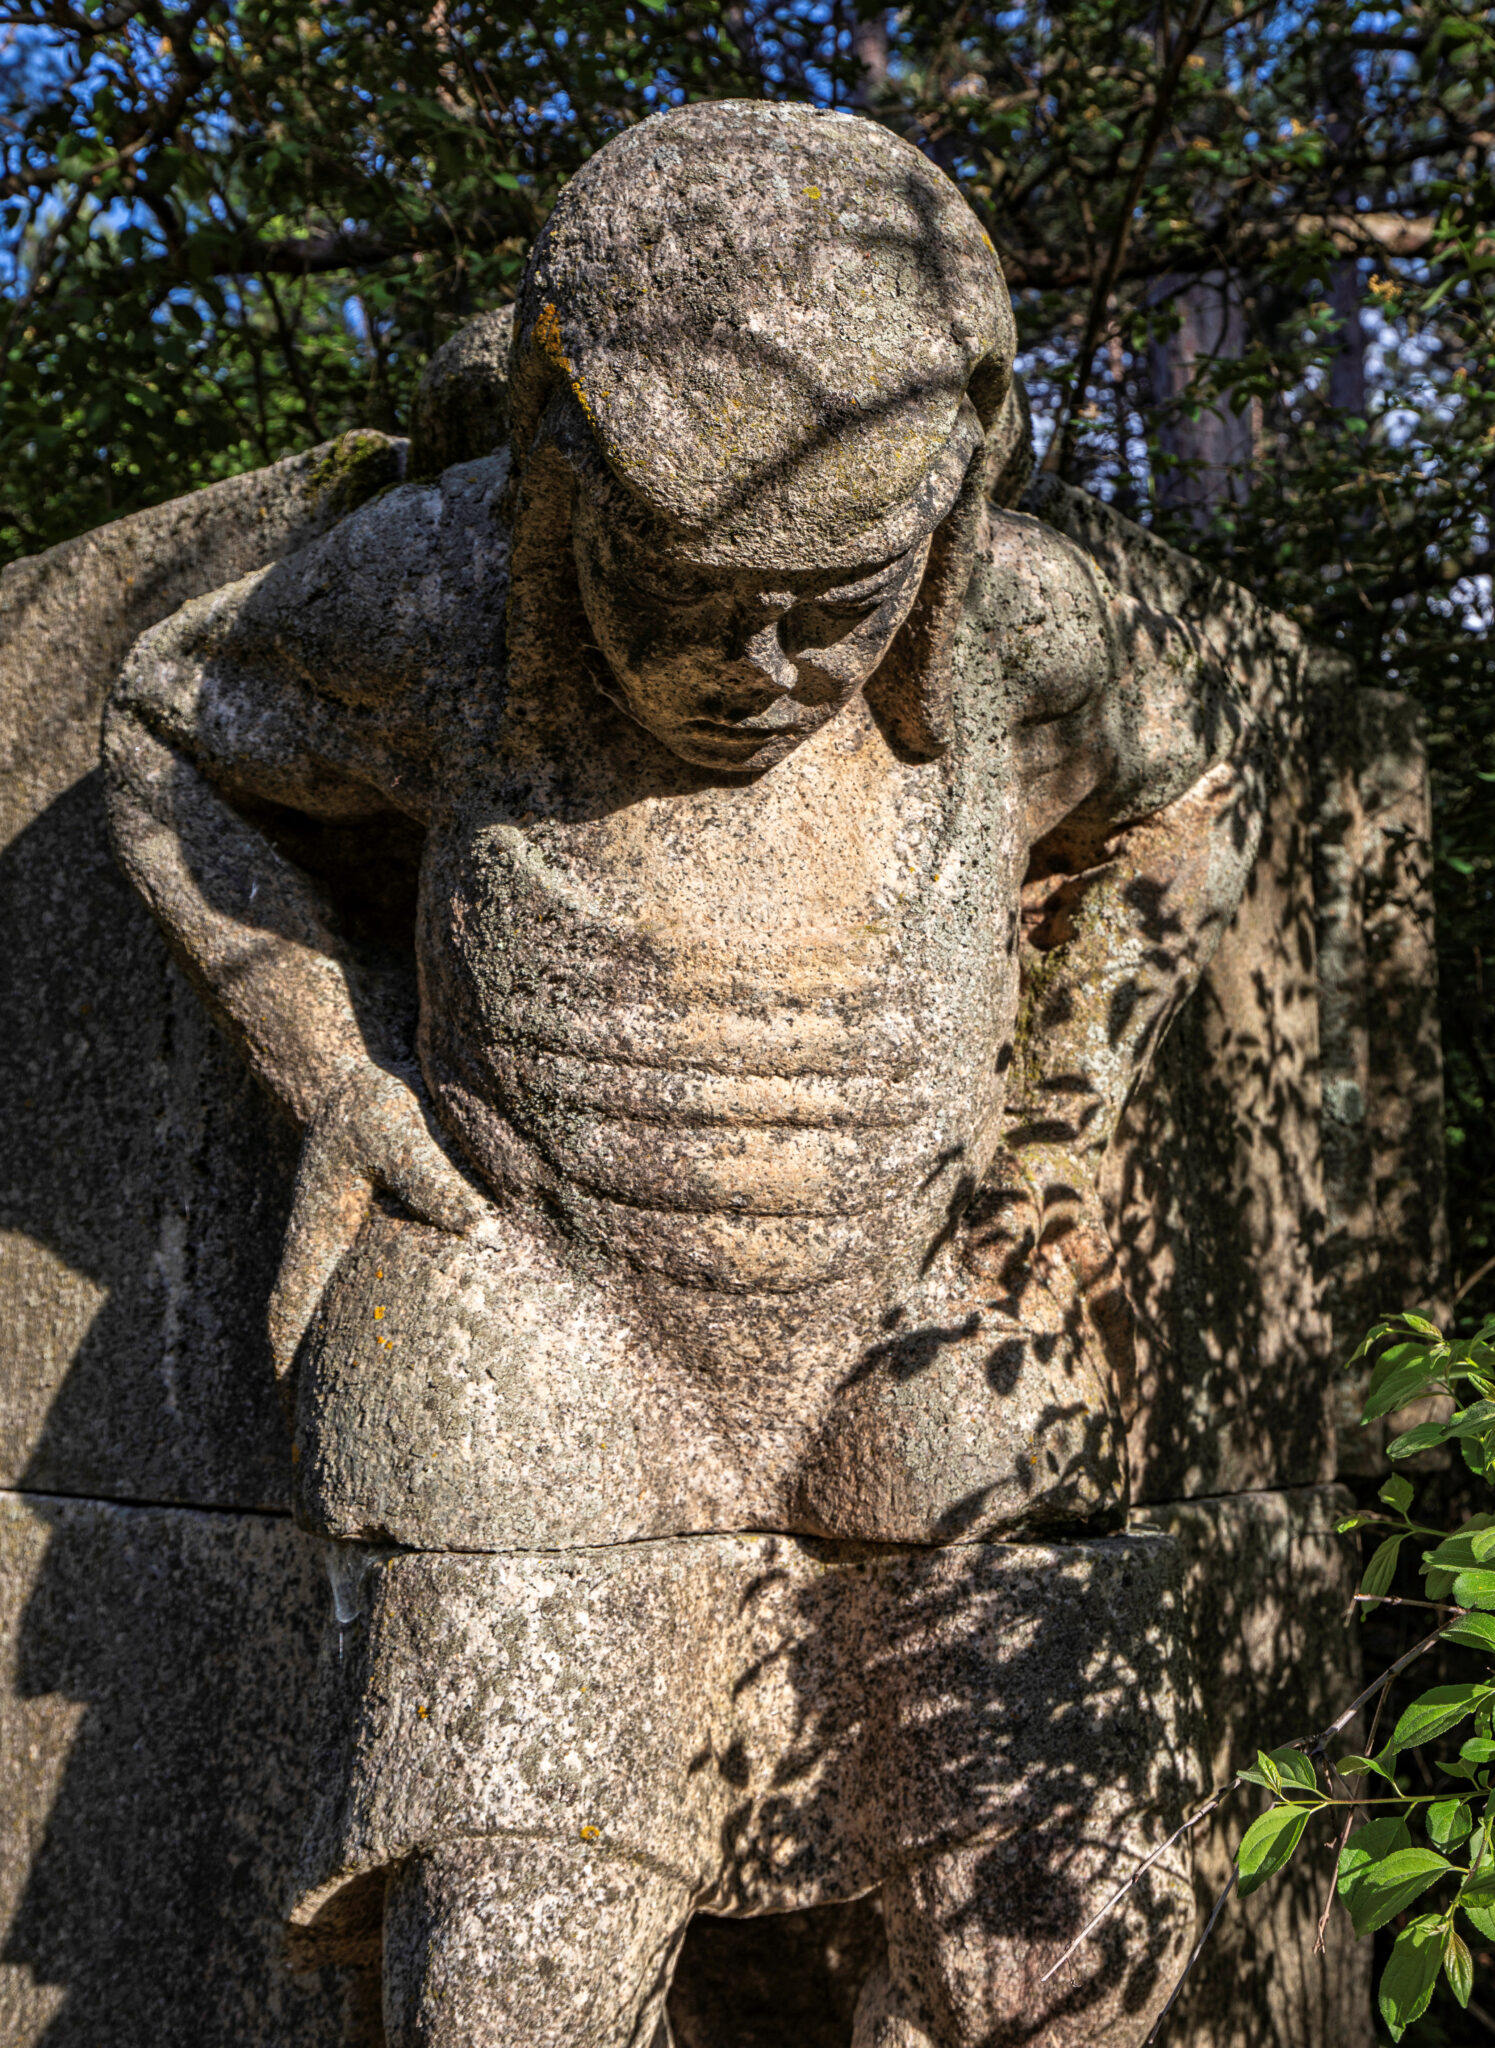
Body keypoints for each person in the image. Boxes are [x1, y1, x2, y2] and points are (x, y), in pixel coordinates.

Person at [105, 98, 1254, 2048]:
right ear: (559, 481)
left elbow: (1184, 806)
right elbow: (163, 725)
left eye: (835, 603)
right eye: (693, 595)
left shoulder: (1018, 634)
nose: (764, 664)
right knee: (513, 1968)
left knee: (1054, 1929)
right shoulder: (443, 596)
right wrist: (333, 1063)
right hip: (550, 1305)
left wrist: (1060, 1124)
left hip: (895, 1297)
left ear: (949, 514)